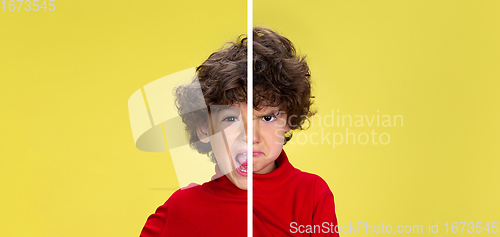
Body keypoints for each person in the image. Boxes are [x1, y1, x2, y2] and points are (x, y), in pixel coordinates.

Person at [140, 27, 340, 236]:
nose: (250, 137)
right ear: (205, 129)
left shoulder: (312, 195)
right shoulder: (182, 208)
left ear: (289, 120)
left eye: (268, 118)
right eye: (230, 119)